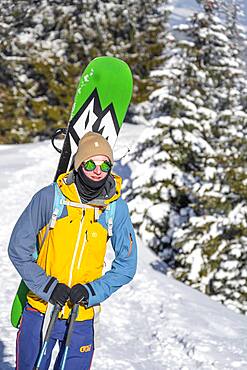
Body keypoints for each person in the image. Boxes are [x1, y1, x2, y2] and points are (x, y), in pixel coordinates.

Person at [8, 131, 137, 370]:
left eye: (104, 164)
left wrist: (92, 291)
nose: (98, 171)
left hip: (81, 316)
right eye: (90, 164)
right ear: (78, 165)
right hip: (41, 310)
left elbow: (127, 265)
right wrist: (47, 286)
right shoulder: (50, 198)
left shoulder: (115, 209)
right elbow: (18, 248)